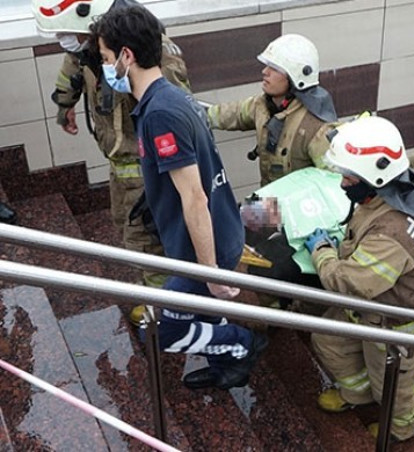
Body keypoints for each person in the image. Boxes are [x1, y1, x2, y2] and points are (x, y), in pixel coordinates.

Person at [92, 5, 265, 390]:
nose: (104, 68)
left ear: (126, 56)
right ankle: (228, 364)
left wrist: (210, 273)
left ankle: (242, 344)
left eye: (105, 58)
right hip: (213, 238)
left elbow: (194, 197)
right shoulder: (173, 97)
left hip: (203, 253)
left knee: (159, 331)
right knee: (199, 310)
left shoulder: (160, 114)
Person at [305, 115, 414, 441]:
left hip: (405, 320)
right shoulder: (402, 185)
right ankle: (358, 395)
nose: (343, 183)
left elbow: (349, 282)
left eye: (349, 177)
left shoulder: (393, 230)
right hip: (382, 301)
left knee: (392, 383)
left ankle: (404, 426)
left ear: (374, 177)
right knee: (329, 340)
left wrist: (321, 252)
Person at [33, 0, 190, 290]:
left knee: (148, 246)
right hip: (121, 166)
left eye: (68, 33)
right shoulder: (90, 43)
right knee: (127, 230)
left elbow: (179, 119)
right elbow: (73, 64)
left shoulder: (155, 55)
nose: (65, 41)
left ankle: (166, 308)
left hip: (149, 173)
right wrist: (65, 104)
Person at [207, 34, 337, 187]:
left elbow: (333, 184)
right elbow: (231, 114)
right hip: (269, 197)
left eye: (274, 68)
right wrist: (196, 116)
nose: (265, 71)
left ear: (295, 77)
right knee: (244, 205)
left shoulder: (317, 128)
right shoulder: (262, 105)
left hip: (300, 201)